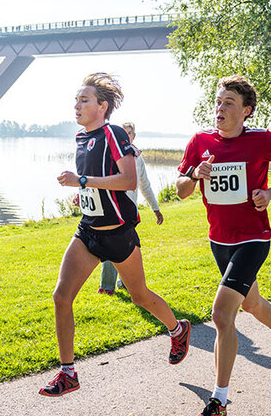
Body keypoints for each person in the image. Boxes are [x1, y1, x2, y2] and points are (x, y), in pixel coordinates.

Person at [40, 73, 191, 397]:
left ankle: (178, 330)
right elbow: (97, 183)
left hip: (119, 233)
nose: (77, 105)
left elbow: (128, 181)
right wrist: (84, 193)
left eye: (84, 100)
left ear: (102, 106)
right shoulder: (82, 139)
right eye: (76, 99)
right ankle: (68, 374)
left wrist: (83, 182)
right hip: (89, 230)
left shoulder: (113, 133)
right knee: (61, 296)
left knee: (139, 295)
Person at [176, 75, 271, 416]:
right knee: (250, 303)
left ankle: (219, 400)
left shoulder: (263, 141)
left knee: (221, 315)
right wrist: (195, 176)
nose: (219, 108)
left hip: (253, 237)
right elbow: (181, 190)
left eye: (228, 103)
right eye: (218, 102)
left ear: (246, 111)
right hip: (219, 239)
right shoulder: (200, 142)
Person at [99, 121, 163, 295]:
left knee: (128, 248)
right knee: (112, 245)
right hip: (113, 208)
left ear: (133, 136)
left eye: (129, 133)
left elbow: (145, 185)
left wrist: (155, 209)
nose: (126, 136)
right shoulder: (112, 155)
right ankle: (107, 286)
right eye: (123, 133)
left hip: (130, 211)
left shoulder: (137, 157)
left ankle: (124, 284)